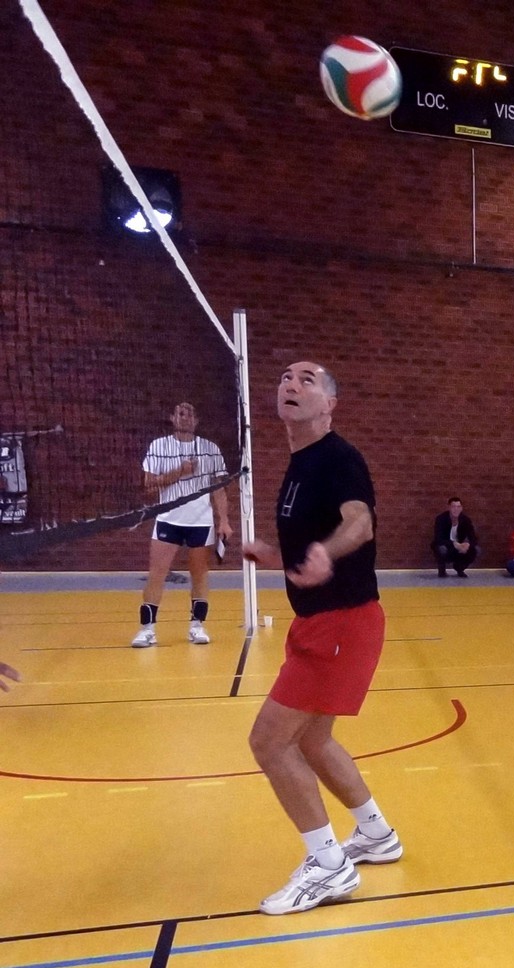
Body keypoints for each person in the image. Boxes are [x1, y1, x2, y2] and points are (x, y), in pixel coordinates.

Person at [241, 361, 401, 915]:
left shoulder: (338, 458)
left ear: (330, 403)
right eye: (285, 377)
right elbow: (310, 543)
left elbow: (359, 522)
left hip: (342, 622)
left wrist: (326, 554)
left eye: (307, 379)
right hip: (320, 621)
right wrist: (275, 555)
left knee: (269, 742)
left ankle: (329, 866)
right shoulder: (300, 463)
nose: (291, 383)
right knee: (312, 740)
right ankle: (376, 834)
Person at [131, 402, 232, 647]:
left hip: (201, 521)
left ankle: (197, 626)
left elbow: (219, 488)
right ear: (172, 418)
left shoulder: (210, 449)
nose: (185, 417)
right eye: (181, 413)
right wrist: (180, 472)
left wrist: (224, 521)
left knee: (199, 574)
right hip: (168, 518)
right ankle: (147, 629)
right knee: (157, 573)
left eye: (190, 414)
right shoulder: (158, 446)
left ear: (196, 421)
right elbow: (149, 484)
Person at [432, 497, 478, 578]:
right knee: (441, 548)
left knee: (476, 549)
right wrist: (454, 544)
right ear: (449, 507)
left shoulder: (465, 520)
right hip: (447, 545)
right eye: (453, 507)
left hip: (460, 545)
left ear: (461, 508)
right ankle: (442, 570)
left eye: (458, 507)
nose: (456, 509)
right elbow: (438, 538)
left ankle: (459, 568)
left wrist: (468, 544)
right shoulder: (441, 519)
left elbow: (473, 537)